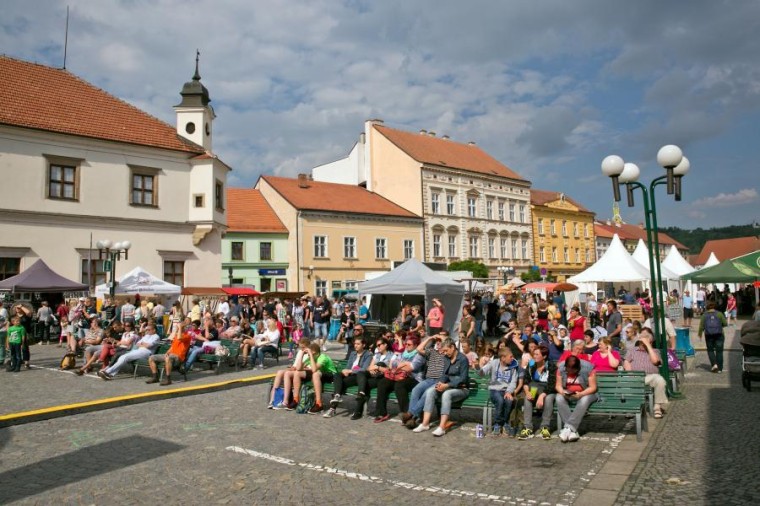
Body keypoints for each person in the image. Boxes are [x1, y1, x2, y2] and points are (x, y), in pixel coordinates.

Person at [412, 337, 470, 437]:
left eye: (446, 350)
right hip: (447, 386)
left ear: (452, 347)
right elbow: (444, 375)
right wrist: (440, 384)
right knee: (431, 391)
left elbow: (463, 379)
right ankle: (425, 424)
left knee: (446, 394)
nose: (445, 353)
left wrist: (447, 385)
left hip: (461, 389)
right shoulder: (446, 358)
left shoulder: (463, 359)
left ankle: (442, 427)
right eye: (443, 351)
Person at [623, 327, 669, 418]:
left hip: (650, 377)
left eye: (642, 342)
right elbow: (626, 362)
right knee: (625, 380)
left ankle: (657, 407)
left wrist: (648, 346)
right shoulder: (633, 350)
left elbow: (655, 361)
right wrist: (630, 373)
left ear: (650, 342)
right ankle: (631, 407)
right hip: (635, 376)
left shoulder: (655, 351)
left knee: (660, 380)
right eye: (640, 342)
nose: (641, 344)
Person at [324, 337, 372, 418]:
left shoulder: (368, 354)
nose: (355, 346)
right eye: (355, 344)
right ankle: (337, 396)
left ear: (363, 345)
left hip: (359, 377)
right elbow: (348, 366)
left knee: (339, 384)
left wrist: (350, 371)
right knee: (337, 375)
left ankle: (332, 408)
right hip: (350, 376)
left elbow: (364, 369)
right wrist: (345, 371)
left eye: (358, 344)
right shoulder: (353, 353)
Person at [554, 355, 598, 442]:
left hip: (587, 393)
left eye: (572, 371)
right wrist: (563, 392)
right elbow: (558, 386)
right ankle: (572, 431)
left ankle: (567, 428)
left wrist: (581, 394)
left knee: (584, 400)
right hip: (569, 393)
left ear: (578, 368)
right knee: (559, 397)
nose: (569, 373)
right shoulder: (561, 368)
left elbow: (593, 388)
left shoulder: (588, 368)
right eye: (568, 370)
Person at [477, 348, 519, 436]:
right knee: (500, 400)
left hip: (506, 390)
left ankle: (505, 423)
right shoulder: (494, 363)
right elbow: (482, 373)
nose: (512, 358)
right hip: (494, 390)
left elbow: (513, 382)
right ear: (503, 358)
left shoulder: (513, 366)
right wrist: (481, 366)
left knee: (509, 401)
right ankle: (497, 424)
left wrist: (509, 392)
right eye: (510, 357)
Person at [518, 345, 554, 440]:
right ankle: (527, 428)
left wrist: (542, 396)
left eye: (537, 354)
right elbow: (526, 381)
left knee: (549, 398)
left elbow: (551, 385)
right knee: (528, 398)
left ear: (544, 356)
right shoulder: (531, 364)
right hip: (533, 388)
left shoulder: (551, 366)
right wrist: (527, 392)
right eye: (534, 354)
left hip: (547, 390)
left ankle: (545, 427)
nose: (534, 356)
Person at [295, 342, 338, 414]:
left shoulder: (323, 357)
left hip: (332, 376)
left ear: (315, 352)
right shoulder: (311, 357)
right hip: (319, 376)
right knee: (297, 373)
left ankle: (319, 403)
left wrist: (311, 355)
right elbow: (298, 368)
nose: (308, 355)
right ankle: (295, 399)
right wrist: (302, 355)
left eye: (309, 353)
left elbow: (314, 369)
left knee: (315, 374)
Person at [146, 320, 192, 385]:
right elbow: (171, 344)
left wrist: (180, 327)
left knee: (168, 358)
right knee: (151, 358)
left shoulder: (187, 336)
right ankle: (155, 377)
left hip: (178, 357)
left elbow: (179, 338)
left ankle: (168, 379)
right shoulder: (176, 335)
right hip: (171, 355)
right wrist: (167, 352)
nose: (178, 328)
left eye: (180, 327)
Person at [698, 301, 727, 373]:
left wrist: (700, 334)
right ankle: (720, 369)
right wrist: (720, 326)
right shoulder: (719, 314)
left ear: (707, 308)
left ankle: (714, 364)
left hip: (708, 335)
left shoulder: (704, 315)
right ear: (715, 307)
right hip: (719, 334)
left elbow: (701, 326)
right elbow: (725, 323)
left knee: (710, 350)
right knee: (719, 352)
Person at [0, 301, 8, 366]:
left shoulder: (3, 310)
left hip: (1, 330)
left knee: (1, 345)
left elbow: (4, 320)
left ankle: (1, 359)